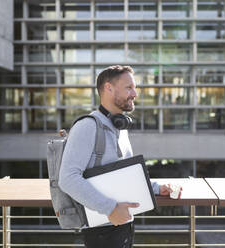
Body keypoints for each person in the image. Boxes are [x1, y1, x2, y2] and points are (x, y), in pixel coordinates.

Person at [58, 65, 180, 248]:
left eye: (135, 88)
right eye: (129, 87)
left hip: (122, 222)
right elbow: (67, 179)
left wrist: (156, 187)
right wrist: (110, 208)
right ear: (109, 88)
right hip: (102, 228)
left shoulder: (119, 127)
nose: (135, 94)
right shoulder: (87, 127)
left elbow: (125, 175)